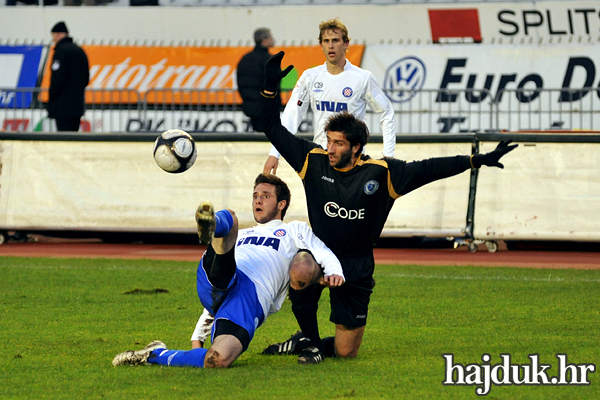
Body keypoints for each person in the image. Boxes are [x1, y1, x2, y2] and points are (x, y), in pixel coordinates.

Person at [259, 51, 518, 364]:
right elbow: (271, 126)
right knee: (300, 268)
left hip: (356, 264)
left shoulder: (381, 172)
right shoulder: (311, 160)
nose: (330, 148)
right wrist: (270, 90)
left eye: (338, 144)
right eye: (329, 141)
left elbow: (429, 168)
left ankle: (306, 342)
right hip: (319, 255)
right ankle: (312, 345)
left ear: (356, 147)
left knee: (346, 352)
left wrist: (476, 160)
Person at [112, 173, 344, 368]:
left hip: (248, 299)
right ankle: (214, 225)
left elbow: (320, 250)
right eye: (255, 196)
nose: (258, 201)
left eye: (265, 196)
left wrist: (335, 271)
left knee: (218, 359)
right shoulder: (243, 234)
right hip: (223, 274)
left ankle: (154, 354)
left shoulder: (292, 230)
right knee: (231, 220)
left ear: (281, 204)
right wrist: (198, 334)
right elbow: (213, 299)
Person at [263, 18, 396, 175]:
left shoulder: (362, 78)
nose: (331, 45)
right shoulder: (310, 77)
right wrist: (274, 154)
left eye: (335, 40)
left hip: (351, 160)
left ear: (346, 44)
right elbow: (292, 116)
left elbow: (386, 113)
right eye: (326, 41)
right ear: (321, 45)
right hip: (321, 157)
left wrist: (389, 156)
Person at [47, 21, 90, 132]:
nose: (53, 39)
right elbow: (86, 77)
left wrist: (52, 97)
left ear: (57, 34)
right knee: (73, 138)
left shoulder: (60, 52)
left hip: (62, 106)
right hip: (77, 105)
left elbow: (57, 79)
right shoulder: (80, 51)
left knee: (63, 137)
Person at [237, 28, 278, 132]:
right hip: (266, 107)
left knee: (257, 136)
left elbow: (240, 83)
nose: (273, 39)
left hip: (251, 107)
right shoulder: (269, 60)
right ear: (264, 40)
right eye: (270, 37)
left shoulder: (245, 59)